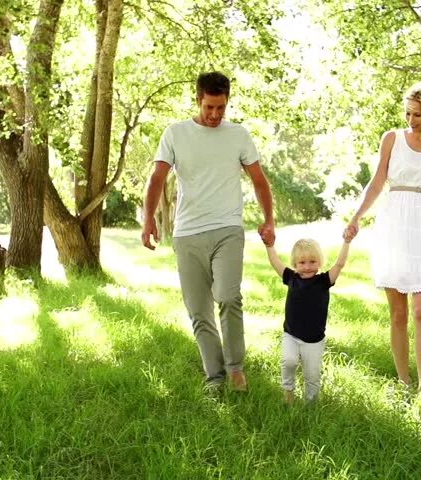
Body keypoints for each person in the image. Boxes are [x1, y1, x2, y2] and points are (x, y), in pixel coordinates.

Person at [141, 71, 275, 392]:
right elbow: (157, 178)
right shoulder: (175, 134)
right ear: (198, 99)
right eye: (209, 107)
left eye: (221, 108)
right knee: (199, 310)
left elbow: (259, 181)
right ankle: (214, 377)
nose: (215, 115)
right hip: (187, 233)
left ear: (227, 103)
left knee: (229, 297)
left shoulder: (238, 135)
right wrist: (148, 219)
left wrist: (269, 219)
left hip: (228, 228)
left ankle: (235, 369)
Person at [344, 80, 421, 397]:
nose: (411, 120)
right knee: (398, 312)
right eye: (408, 113)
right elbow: (376, 182)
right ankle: (403, 382)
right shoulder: (392, 139)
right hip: (394, 224)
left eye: (418, 115)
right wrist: (356, 217)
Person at [264, 237, 350, 404]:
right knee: (288, 361)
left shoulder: (324, 281)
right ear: (295, 264)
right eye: (302, 262)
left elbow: (339, 264)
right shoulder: (291, 278)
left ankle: (311, 405)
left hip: (314, 340)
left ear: (320, 261)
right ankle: (288, 392)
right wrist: (270, 246)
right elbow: (275, 262)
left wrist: (346, 242)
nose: (308, 266)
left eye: (312, 261)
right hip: (291, 335)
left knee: (312, 375)